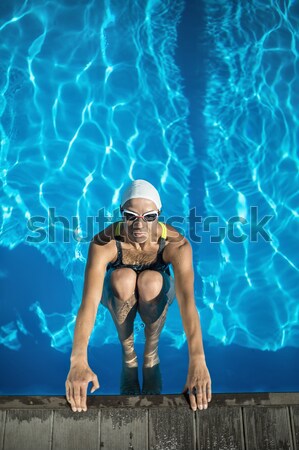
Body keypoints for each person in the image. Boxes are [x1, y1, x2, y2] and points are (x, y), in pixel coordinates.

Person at [65, 179, 212, 412]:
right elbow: (89, 304)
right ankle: (129, 356)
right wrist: (78, 360)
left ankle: (150, 354)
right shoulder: (104, 244)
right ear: (121, 214)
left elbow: (187, 304)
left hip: (157, 291)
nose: (139, 225)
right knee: (122, 278)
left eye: (149, 216)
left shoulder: (177, 245)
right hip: (117, 293)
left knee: (151, 281)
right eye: (131, 216)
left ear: (159, 214)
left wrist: (198, 360)